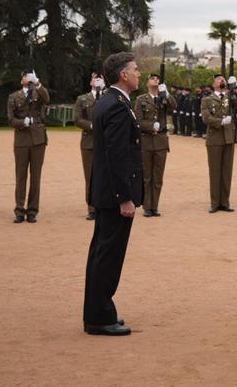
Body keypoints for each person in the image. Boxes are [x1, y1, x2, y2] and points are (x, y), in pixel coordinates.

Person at [83, 52, 144, 336]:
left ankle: (100, 311)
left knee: (102, 253)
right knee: (108, 255)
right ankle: (99, 316)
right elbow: (117, 156)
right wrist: (125, 197)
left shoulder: (110, 100)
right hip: (114, 195)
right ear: (123, 75)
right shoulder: (117, 106)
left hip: (105, 192)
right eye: (135, 69)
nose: (139, 72)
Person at [9, 70, 50, 223]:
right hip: (21, 139)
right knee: (20, 176)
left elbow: (47, 98)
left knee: (36, 176)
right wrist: (21, 123)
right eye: (25, 76)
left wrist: (38, 83)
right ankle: (19, 210)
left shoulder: (38, 93)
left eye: (30, 76)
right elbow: (10, 119)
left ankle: (32, 210)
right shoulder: (13, 96)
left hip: (38, 139)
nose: (28, 78)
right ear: (21, 80)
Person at [134, 74, 173, 218]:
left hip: (161, 142)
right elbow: (137, 121)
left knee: (158, 177)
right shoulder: (141, 99)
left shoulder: (163, 96)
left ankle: (154, 206)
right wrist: (150, 126)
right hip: (147, 141)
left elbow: (174, 106)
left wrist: (167, 94)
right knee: (146, 176)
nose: (155, 80)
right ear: (147, 83)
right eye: (152, 78)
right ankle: (147, 206)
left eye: (157, 79)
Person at [201, 75, 237, 213]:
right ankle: (215, 203)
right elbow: (206, 117)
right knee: (215, 171)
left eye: (224, 79)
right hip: (215, 138)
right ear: (213, 83)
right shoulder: (207, 99)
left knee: (227, 171)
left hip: (228, 138)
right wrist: (220, 122)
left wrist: (236, 88)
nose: (221, 81)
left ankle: (225, 202)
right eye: (218, 79)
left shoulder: (231, 97)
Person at [75, 74, 104, 220]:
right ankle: (92, 208)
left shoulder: (108, 98)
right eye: (95, 78)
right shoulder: (82, 99)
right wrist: (91, 125)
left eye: (100, 78)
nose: (97, 80)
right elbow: (77, 119)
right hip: (89, 142)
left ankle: (104, 207)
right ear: (90, 81)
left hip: (106, 143)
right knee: (90, 176)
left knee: (105, 176)